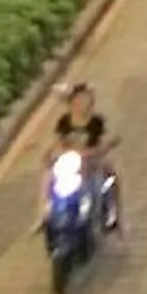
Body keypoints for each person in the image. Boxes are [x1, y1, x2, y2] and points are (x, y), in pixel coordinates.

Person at [51, 83, 121, 229]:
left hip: (91, 163)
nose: (81, 104)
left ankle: (112, 212)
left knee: (109, 174)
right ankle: (45, 213)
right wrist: (54, 153)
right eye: (78, 100)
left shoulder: (96, 122)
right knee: (49, 178)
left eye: (86, 100)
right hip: (70, 165)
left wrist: (101, 149)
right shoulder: (64, 122)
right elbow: (57, 143)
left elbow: (105, 141)